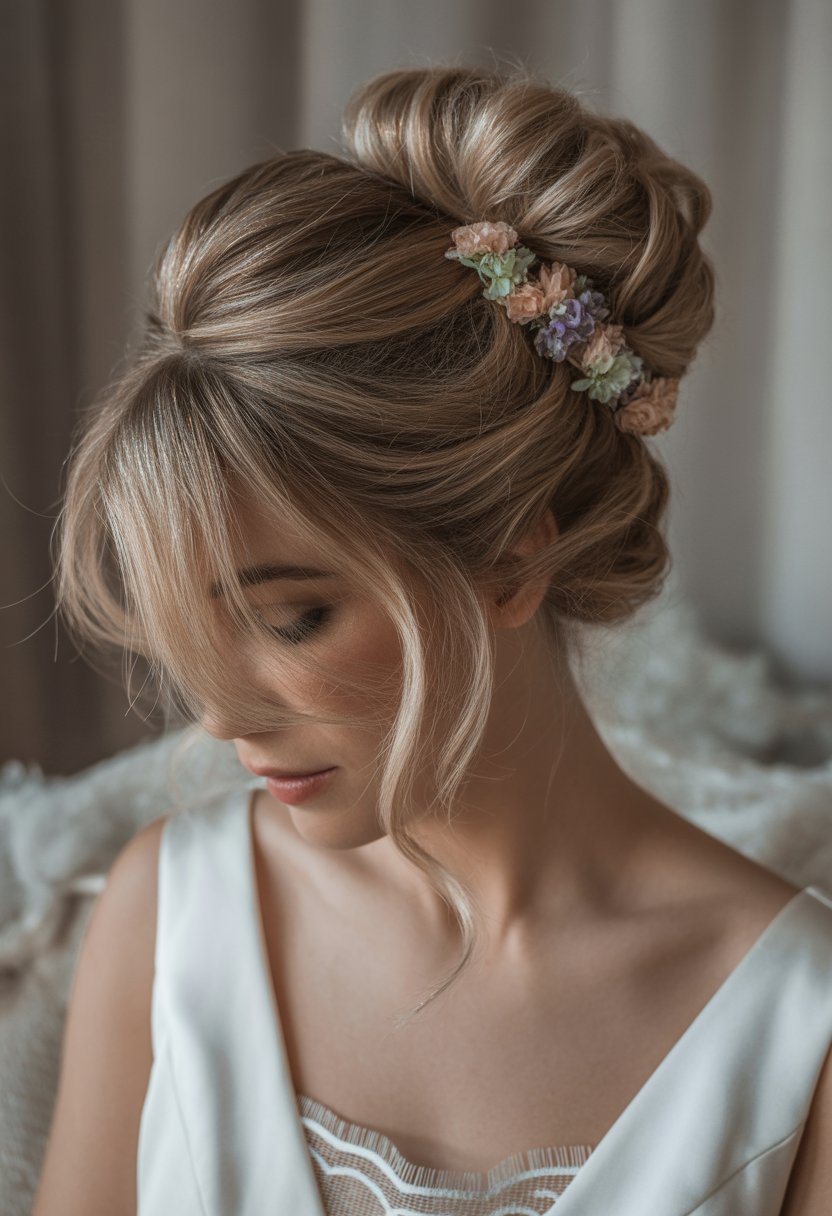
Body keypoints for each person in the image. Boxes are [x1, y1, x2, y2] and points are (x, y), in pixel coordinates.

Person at [32, 63, 832, 1215]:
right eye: (195, 628)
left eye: (290, 617)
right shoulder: (168, 913)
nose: (220, 714)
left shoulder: (796, 1026)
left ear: (511, 556)